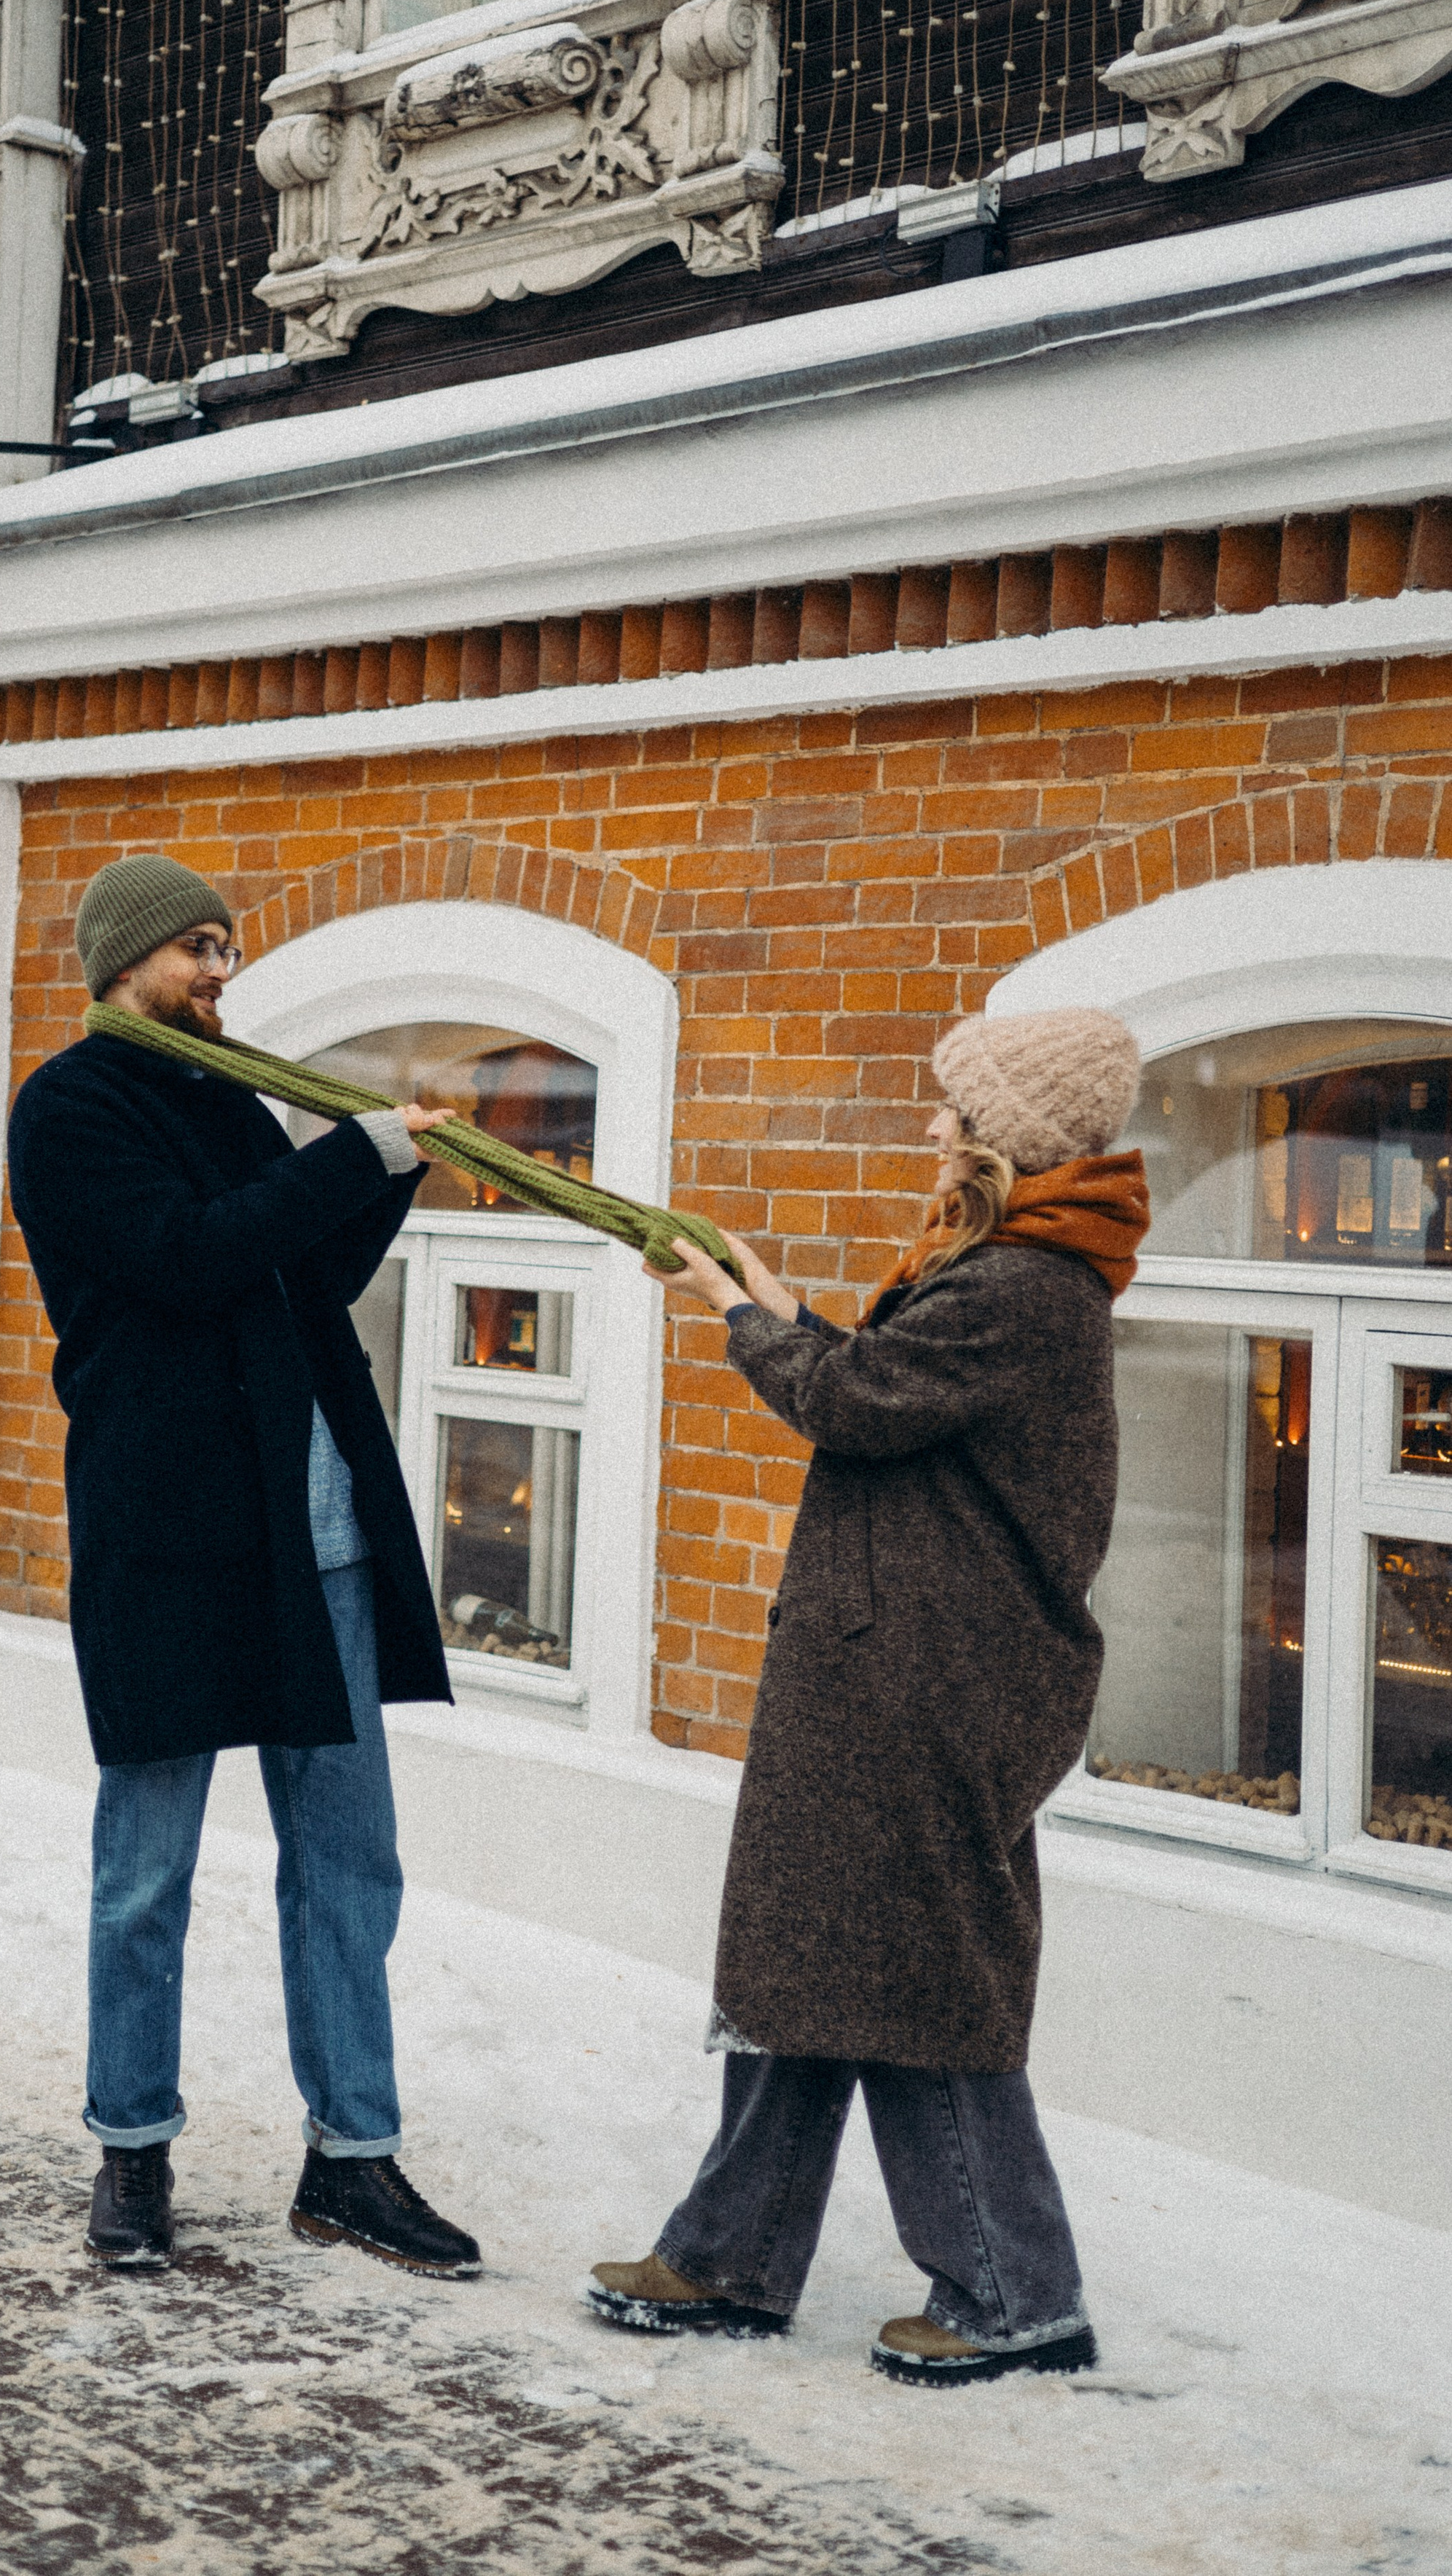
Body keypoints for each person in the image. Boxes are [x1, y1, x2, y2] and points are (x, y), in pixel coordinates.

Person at [586, 1006, 1150, 2383]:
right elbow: (887, 1388)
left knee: (921, 1978)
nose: (934, 1126)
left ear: (1010, 1136)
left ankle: (1015, 2290)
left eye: (956, 1108)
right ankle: (729, 2258)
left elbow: (855, 1405)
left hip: (931, 1682)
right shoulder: (1013, 1272)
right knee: (818, 1963)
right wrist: (786, 1308)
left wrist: (741, 1317)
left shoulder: (1021, 1285)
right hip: (896, 1665)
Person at [7, 853, 481, 2279]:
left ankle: (352, 2162)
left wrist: (384, 1182)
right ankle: (131, 2148)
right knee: (145, 1869)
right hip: (172, 1538)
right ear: (125, 959)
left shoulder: (227, 1096)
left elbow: (295, 1279)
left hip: (316, 1536)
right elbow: (185, 1257)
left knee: (347, 1861)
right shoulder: (69, 1107)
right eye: (196, 950)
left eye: (226, 950)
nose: (220, 973)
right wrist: (353, 1153)